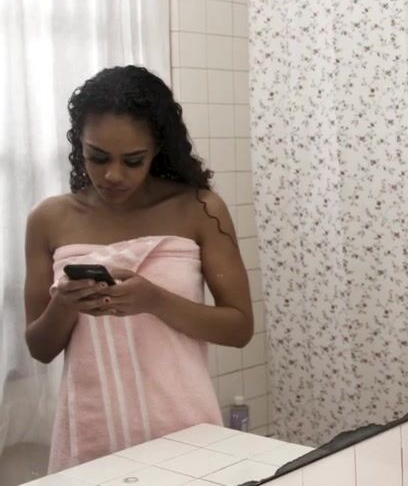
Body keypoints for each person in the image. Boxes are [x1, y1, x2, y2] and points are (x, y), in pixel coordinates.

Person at [23, 65, 254, 472]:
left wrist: (155, 300)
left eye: (133, 161)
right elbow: (40, 349)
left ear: (157, 149)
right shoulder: (49, 219)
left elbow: (239, 329)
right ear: (79, 144)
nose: (112, 175)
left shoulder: (200, 209)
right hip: (92, 434)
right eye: (97, 157)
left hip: (184, 431)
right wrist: (65, 304)